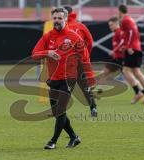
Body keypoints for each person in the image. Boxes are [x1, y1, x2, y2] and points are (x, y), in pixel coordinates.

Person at [32, 7, 95, 149]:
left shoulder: (74, 37)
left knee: (60, 111)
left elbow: (85, 59)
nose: (57, 21)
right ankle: (74, 137)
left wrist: (90, 80)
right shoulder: (48, 36)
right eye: (54, 18)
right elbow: (34, 54)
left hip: (69, 78)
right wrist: (48, 52)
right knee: (56, 113)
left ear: (65, 19)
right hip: (53, 79)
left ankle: (52, 141)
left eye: (60, 18)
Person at [63, 6, 98, 117]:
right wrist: (85, 55)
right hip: (80, 61)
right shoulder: (80, 26)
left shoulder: (62, 28)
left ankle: (60, 110)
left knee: (65, 86)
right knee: (84, 86)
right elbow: (90, 42)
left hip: (67, 63)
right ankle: (93, 108)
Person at [118, 4, 144, 104]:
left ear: (120, 11)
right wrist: (126, 45)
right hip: (136, 47)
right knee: (136, 71)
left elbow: (131, 32)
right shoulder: (130, 19)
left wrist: (129, 46)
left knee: (126, 71)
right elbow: (134, 33)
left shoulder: (125, 20)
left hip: (132, 48)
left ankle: (140, 92)